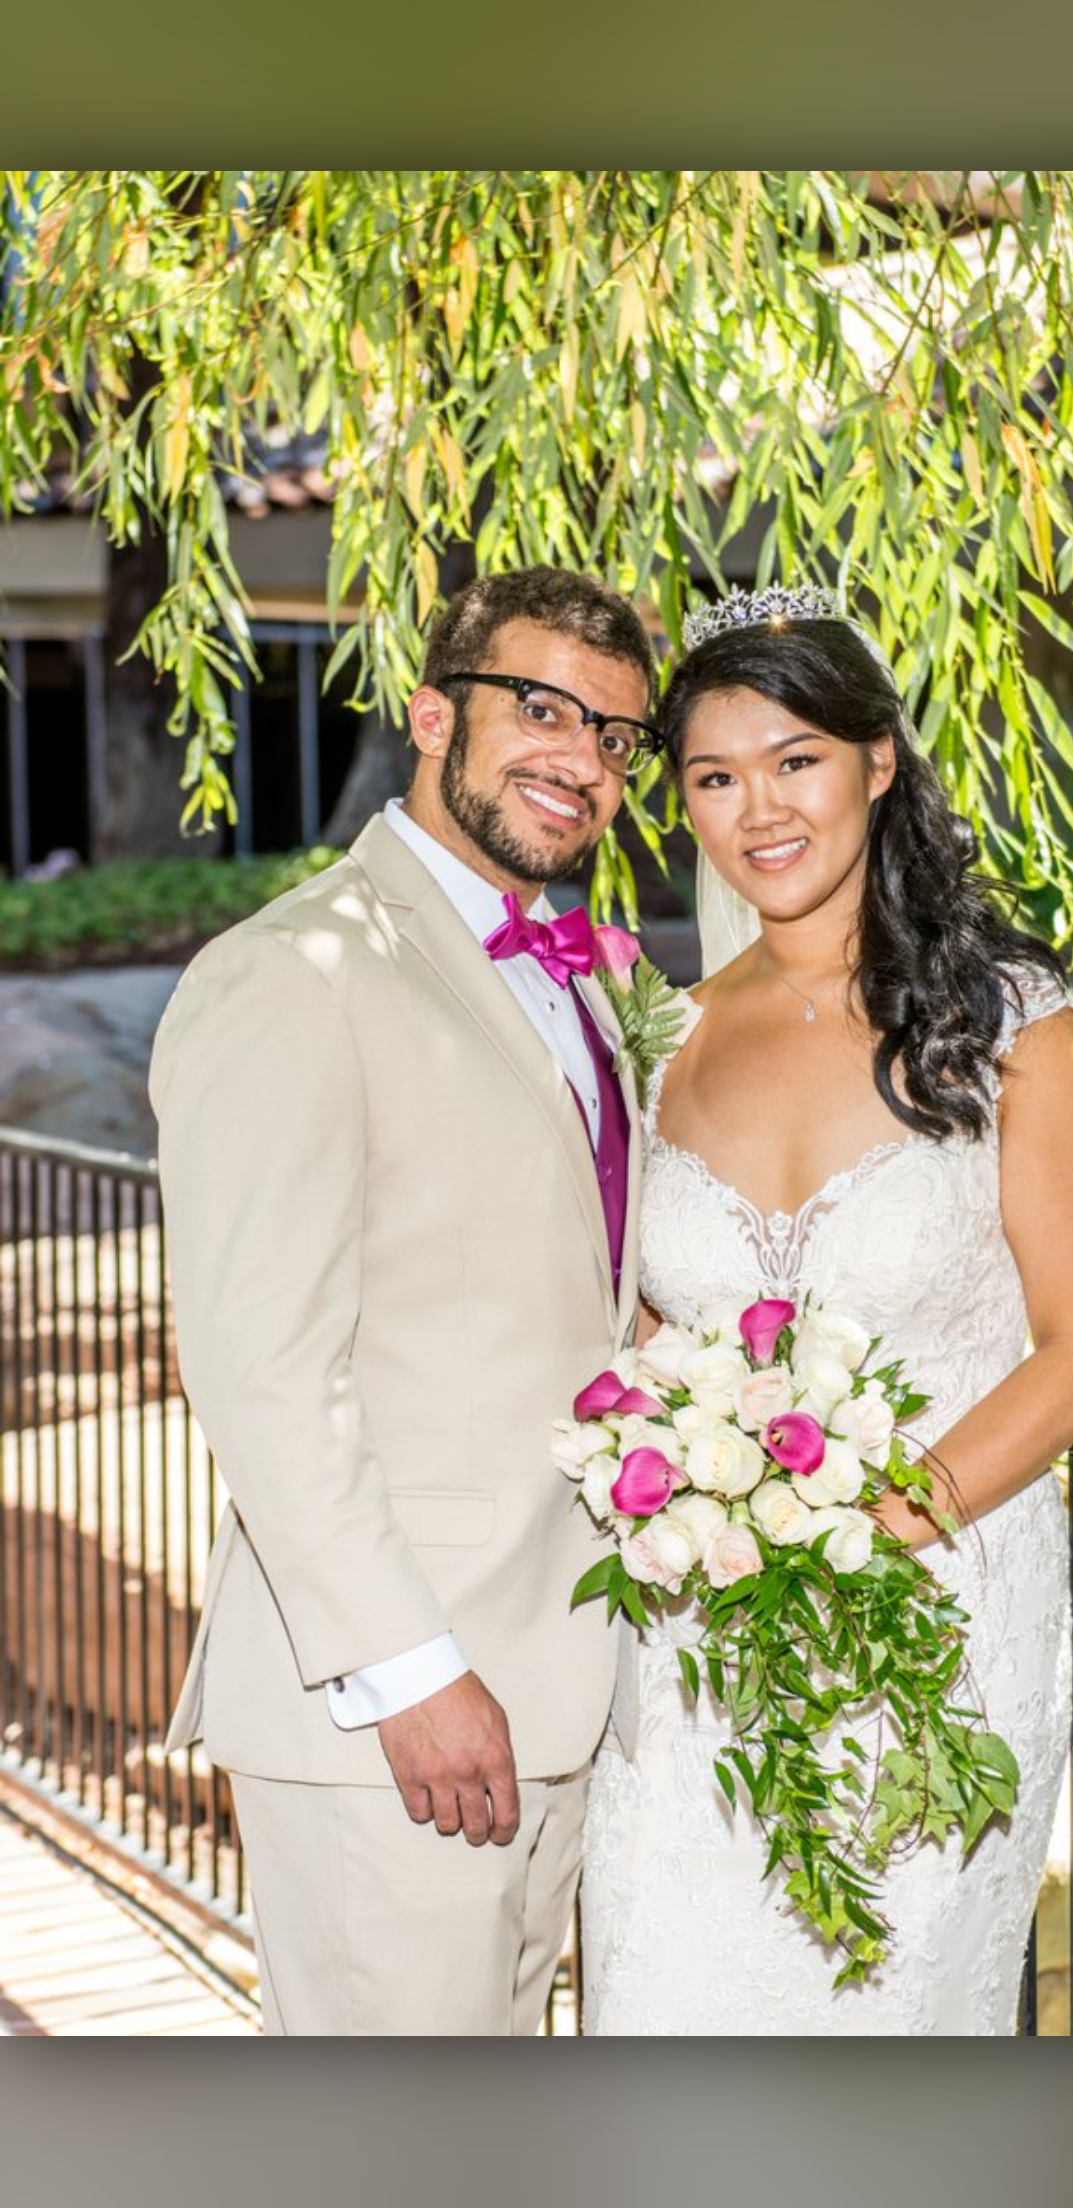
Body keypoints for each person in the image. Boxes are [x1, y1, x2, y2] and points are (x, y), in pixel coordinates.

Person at [580, 586, 1073, 2036]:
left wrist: (874, 1525)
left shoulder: (1013, 1029)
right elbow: (648, 1333)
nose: (755, 808)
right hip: (699, 1641)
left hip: (933, 1635)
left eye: (793, 760)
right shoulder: (666, 1035)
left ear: (875, 761)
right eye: (712, 776)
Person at [152, 565, 660, 2035]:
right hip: (397, 1704)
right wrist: (413, 1671)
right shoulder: (293, 973)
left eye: (616, 734)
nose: (581, 759)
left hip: (564, 1677)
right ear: (436, 713)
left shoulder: (572, 977)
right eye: (542, 709)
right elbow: (260, 1366)